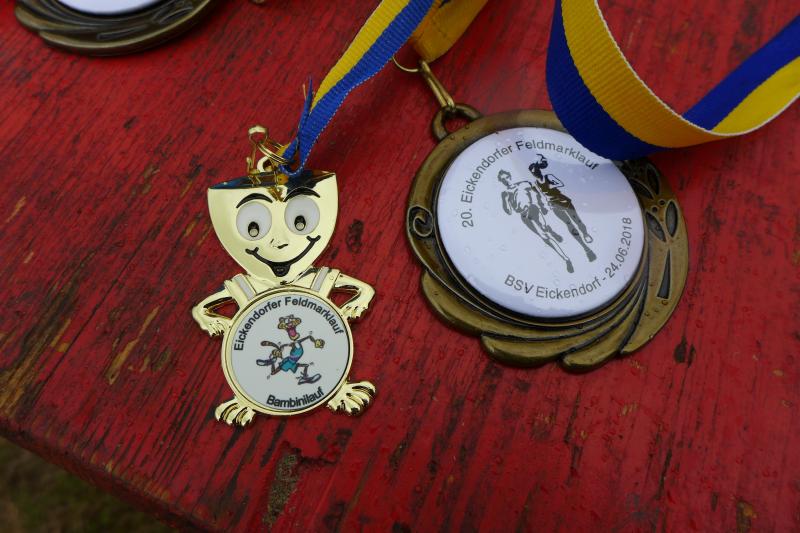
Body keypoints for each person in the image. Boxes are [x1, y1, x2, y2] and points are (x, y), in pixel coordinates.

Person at [497, 169, 574, 274]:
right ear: (501, 181)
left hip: (533, 208)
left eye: (507, 177)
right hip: (524, 215)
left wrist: (542, 206)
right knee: (544, 237)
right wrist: (505, 201)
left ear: (510, 177)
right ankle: (566, 259)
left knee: (544, 228)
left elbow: (537, 193)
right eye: (503, 180)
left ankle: (550, 230)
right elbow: (509, 212)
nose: (506, 180)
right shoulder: (505, 193)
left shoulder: (524, 184)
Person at [528, 154, 596, 262]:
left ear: (539, 170)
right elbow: (539, 196)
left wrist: (552, 186)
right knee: (568, 224)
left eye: (535, 171)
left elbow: (560, 183)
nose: (535, 173)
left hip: (563, 200)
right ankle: (585, 248)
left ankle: (585, 234)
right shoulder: (535, 184)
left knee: (577, 220)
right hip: (553, 204)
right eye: (533, 172)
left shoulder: (548, 177)